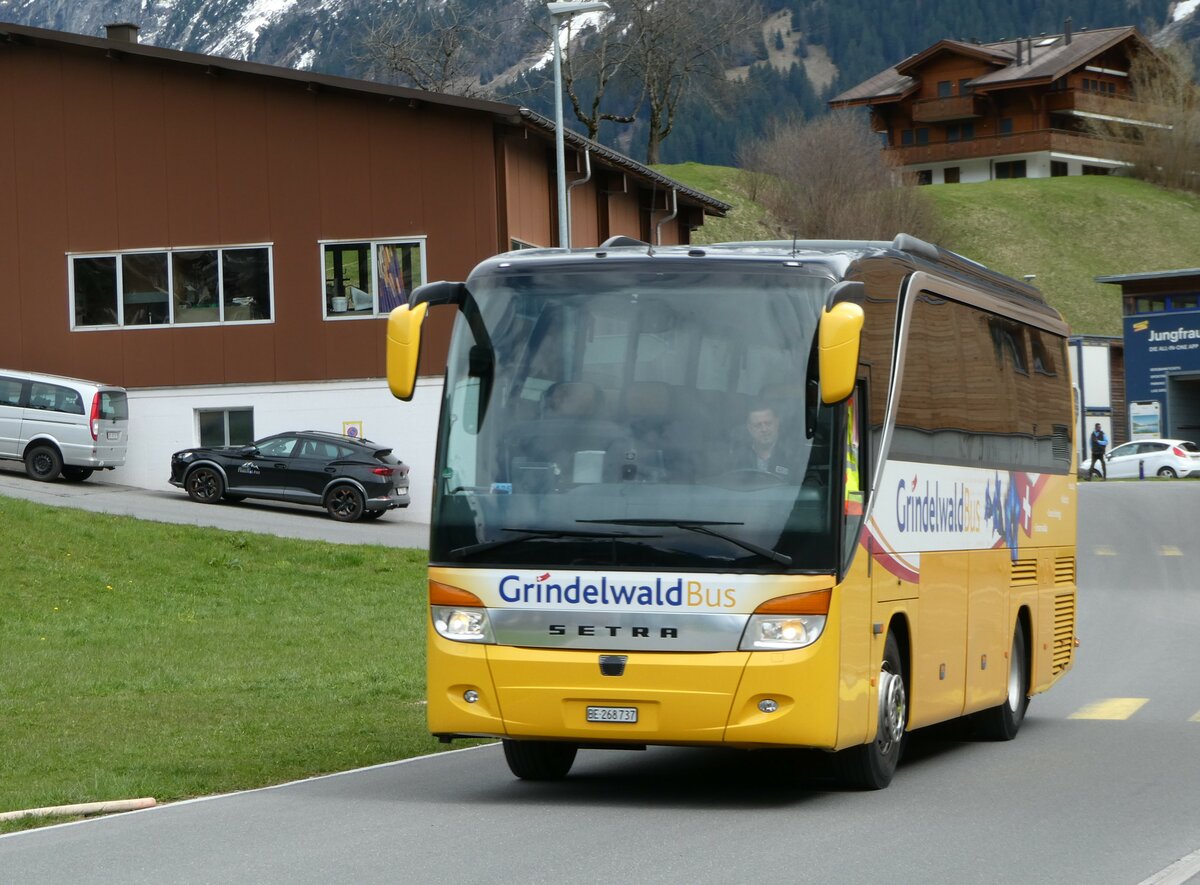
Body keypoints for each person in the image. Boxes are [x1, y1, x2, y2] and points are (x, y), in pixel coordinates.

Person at [733, 403, 796, 480]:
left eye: (768, 423)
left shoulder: (794, 455)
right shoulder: (738, 457)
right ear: (749, 429)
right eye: (758, 425)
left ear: (777, 423)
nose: (764, 429)